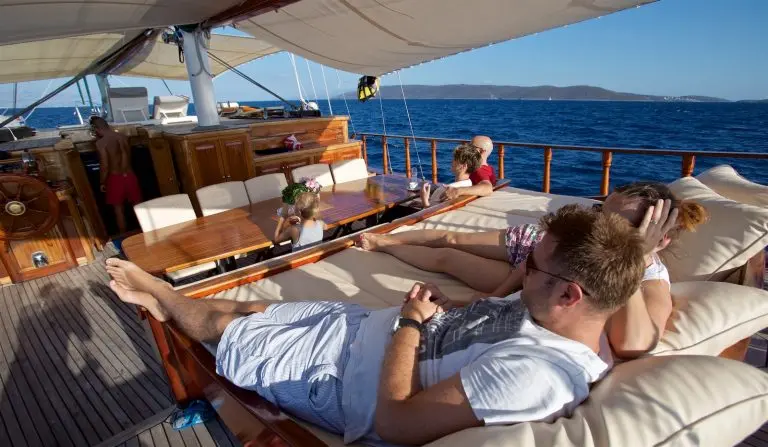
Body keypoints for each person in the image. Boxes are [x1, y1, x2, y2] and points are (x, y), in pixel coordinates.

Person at [106, 205, 644, 446]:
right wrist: (444, 307)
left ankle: (159, 294)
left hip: (343, 377)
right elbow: (481, 322)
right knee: (254, 310)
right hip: (366, 329)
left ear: (572, 295)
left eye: (531, 266)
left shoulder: (535, 374)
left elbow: (394, 423)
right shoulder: (555, 316)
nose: (520, 271)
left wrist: (410, 324)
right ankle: (173, 305)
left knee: (223, 322)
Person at [359, 182, 708, 359]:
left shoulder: (650, 281)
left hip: (542, 269)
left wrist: (632, 258)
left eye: (614, 224)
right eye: (599, 211)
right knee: (450, 237)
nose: (597, 224)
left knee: (448, 259)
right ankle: (387, 240)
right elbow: (532, 264)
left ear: (657, 242)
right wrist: (495, 295)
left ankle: (382, 245)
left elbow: (635, 345)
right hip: (536, 250)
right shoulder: (578, 237)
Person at [90, 116, 142, 234]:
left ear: (96, 129)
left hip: (115, 178)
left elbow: (105, 166)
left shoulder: (101, 143)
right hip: (130, 176)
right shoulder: (124, 137)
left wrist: (102, 182)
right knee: (138, 207)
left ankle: (124, 237)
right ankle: (145, 231)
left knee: (119, 210)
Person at [419, 143, 481, 208]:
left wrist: (424, 200)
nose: (451, 161)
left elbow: (429, 213)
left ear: (463, 166)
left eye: (455, 159)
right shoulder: (471, 187)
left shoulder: (445, 191)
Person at [443, 136, 497, 201]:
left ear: (481, 151)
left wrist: (457, 191)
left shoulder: (479, 170)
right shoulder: (489, 168)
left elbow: (487, 188)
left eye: (471, 146)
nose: (467, 148)